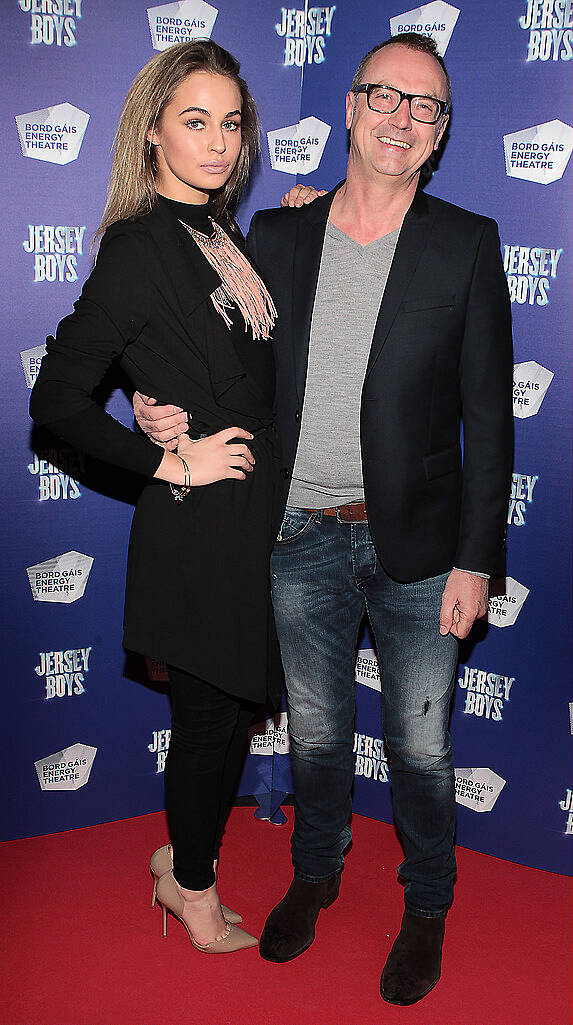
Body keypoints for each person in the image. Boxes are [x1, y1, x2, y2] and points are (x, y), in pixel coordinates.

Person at [134, 32, 514, 1003]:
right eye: (385, 96)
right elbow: (211, 358)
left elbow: (485, 416)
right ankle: (316, 872)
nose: (402, 118)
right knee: (315, 733)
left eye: (425, 107)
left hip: (423, 549)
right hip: (297, 532)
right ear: (349, 108)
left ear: (438, 136)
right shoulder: (280, 236)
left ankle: (427, 900)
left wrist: (479, 557)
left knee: (423, 745)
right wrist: (152, 402)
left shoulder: (467, 242)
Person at [29, 40, 287, 954]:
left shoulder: (219, 236)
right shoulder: (141, 246)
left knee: (222, 721)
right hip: (196, 527)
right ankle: (193, 888)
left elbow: (237, 361)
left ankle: (181, 860)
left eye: (230, 123)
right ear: (151, 135)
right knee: (211, 724)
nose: (218, 143)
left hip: (249, 526)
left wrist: (302, 212)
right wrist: (170, 463)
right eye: (194, 122)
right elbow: (55, 399)